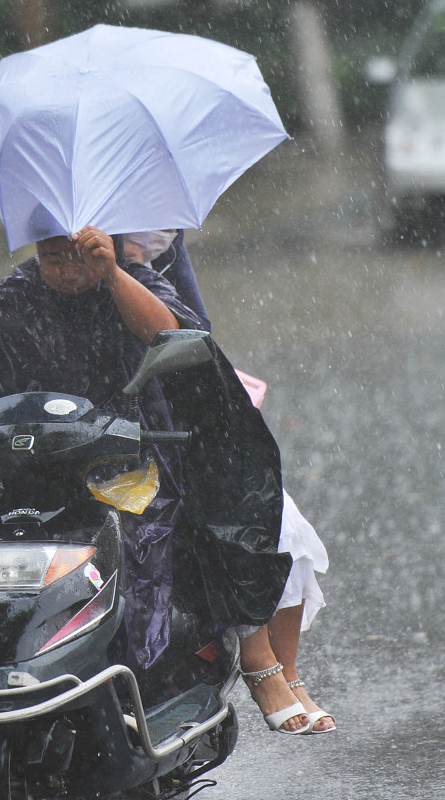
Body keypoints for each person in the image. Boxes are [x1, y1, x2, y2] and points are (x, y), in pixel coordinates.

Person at [0, 226, 318, 735]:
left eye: (78, 258)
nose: (66, 271)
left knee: (206, 525)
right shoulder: (5, 304)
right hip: (29, 471)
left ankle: (181, 677)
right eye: (52, 257)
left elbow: (170, 331)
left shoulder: (135, 282)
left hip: (133, 466)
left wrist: (110, 274)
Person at [120, 228, 335, 735]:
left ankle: (283, 671)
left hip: (164, 430)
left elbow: (191, 337)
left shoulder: (146, 274)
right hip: (84, 447)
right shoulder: (20, 300)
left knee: (273, 514)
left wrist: (117, 272)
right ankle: (262, 666)